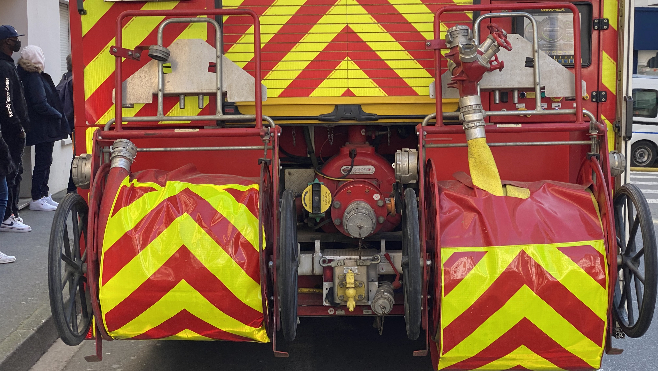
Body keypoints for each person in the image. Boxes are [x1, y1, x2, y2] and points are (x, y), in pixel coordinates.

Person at [17, 45, 70, 211]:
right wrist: (57, 114)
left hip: (41, 126)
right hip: (43, 126)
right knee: (43, 161)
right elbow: (40, 103)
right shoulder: (33, 77)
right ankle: (38, 197)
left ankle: (43, 194)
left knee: (45, 160)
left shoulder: (29, 75)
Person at [0, 25, 31, 232]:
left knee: (12, 172)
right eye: (13, 39)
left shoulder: (8, 65)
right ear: (5, 42)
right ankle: (9, 215)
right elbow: (7, 100)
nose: (17, 42)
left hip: (10, 129)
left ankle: (10, 213)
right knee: (11, 172)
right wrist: (17, 125)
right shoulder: (5, 68)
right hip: (10, 131)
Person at [56, 54, 76, 194]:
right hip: (75, 124)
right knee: (79, 157)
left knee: (76, 155)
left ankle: (72, 188)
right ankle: (72, 188)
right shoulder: (74, 80)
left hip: (70, 124)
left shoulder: (65, 77)